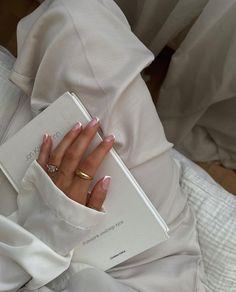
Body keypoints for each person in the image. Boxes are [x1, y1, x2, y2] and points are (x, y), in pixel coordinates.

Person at [0, 0, 209, 291]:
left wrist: (51, 222)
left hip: (30, 246)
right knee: (78, 21)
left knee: (75, 21)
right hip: (151, 271)